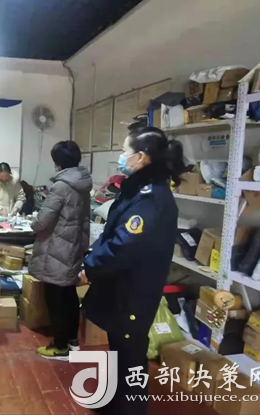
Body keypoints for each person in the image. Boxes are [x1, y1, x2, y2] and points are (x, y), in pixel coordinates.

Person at [82, 127, 184, 415]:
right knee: (121, 350)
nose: (120, 156)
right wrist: (92, 258)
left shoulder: (151, 198)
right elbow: (113, 233)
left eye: (124, 151)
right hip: (124, 286)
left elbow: (124, 245)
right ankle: (117, 404)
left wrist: (90, 267)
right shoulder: (138, 189)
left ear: (141, 157)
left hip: (134, 290)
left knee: (131, 358)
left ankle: (131, 410)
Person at [28, 140, 92, 360]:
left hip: (57, 249)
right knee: (69, 294)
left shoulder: (61, 186)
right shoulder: (83, 185)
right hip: (73, 246)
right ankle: (72, 340)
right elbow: (85, 220)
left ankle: (60, 346)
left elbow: (42, 221)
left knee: (55, 298)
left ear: (58, 162)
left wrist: (33, 223)